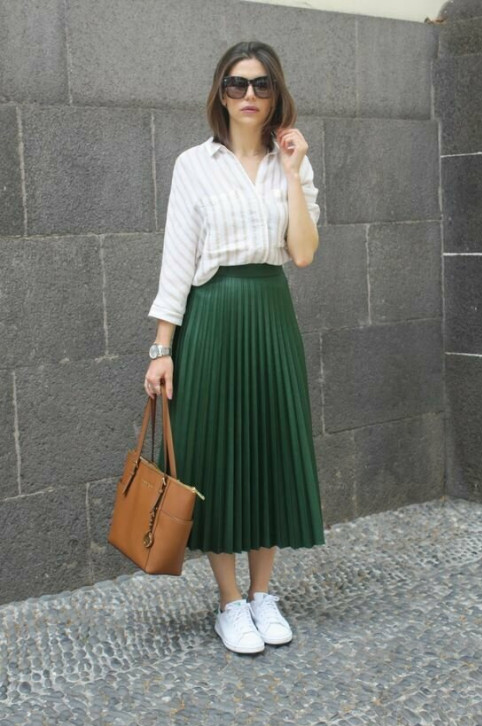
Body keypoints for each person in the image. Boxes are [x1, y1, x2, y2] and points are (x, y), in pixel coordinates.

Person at [144, 40, 325, 655]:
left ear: (276, 94)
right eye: (237, 84)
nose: (249, 95)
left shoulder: (290, 162)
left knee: (270, 448)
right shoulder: (194, 165)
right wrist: (161, 349)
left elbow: (303, 253)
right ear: (220, 93)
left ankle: (263, 594)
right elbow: (177, 260)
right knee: (218, 455)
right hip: (213, 318)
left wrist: (294, 172)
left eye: (261, 84)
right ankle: (229, 602)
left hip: (271, 316)